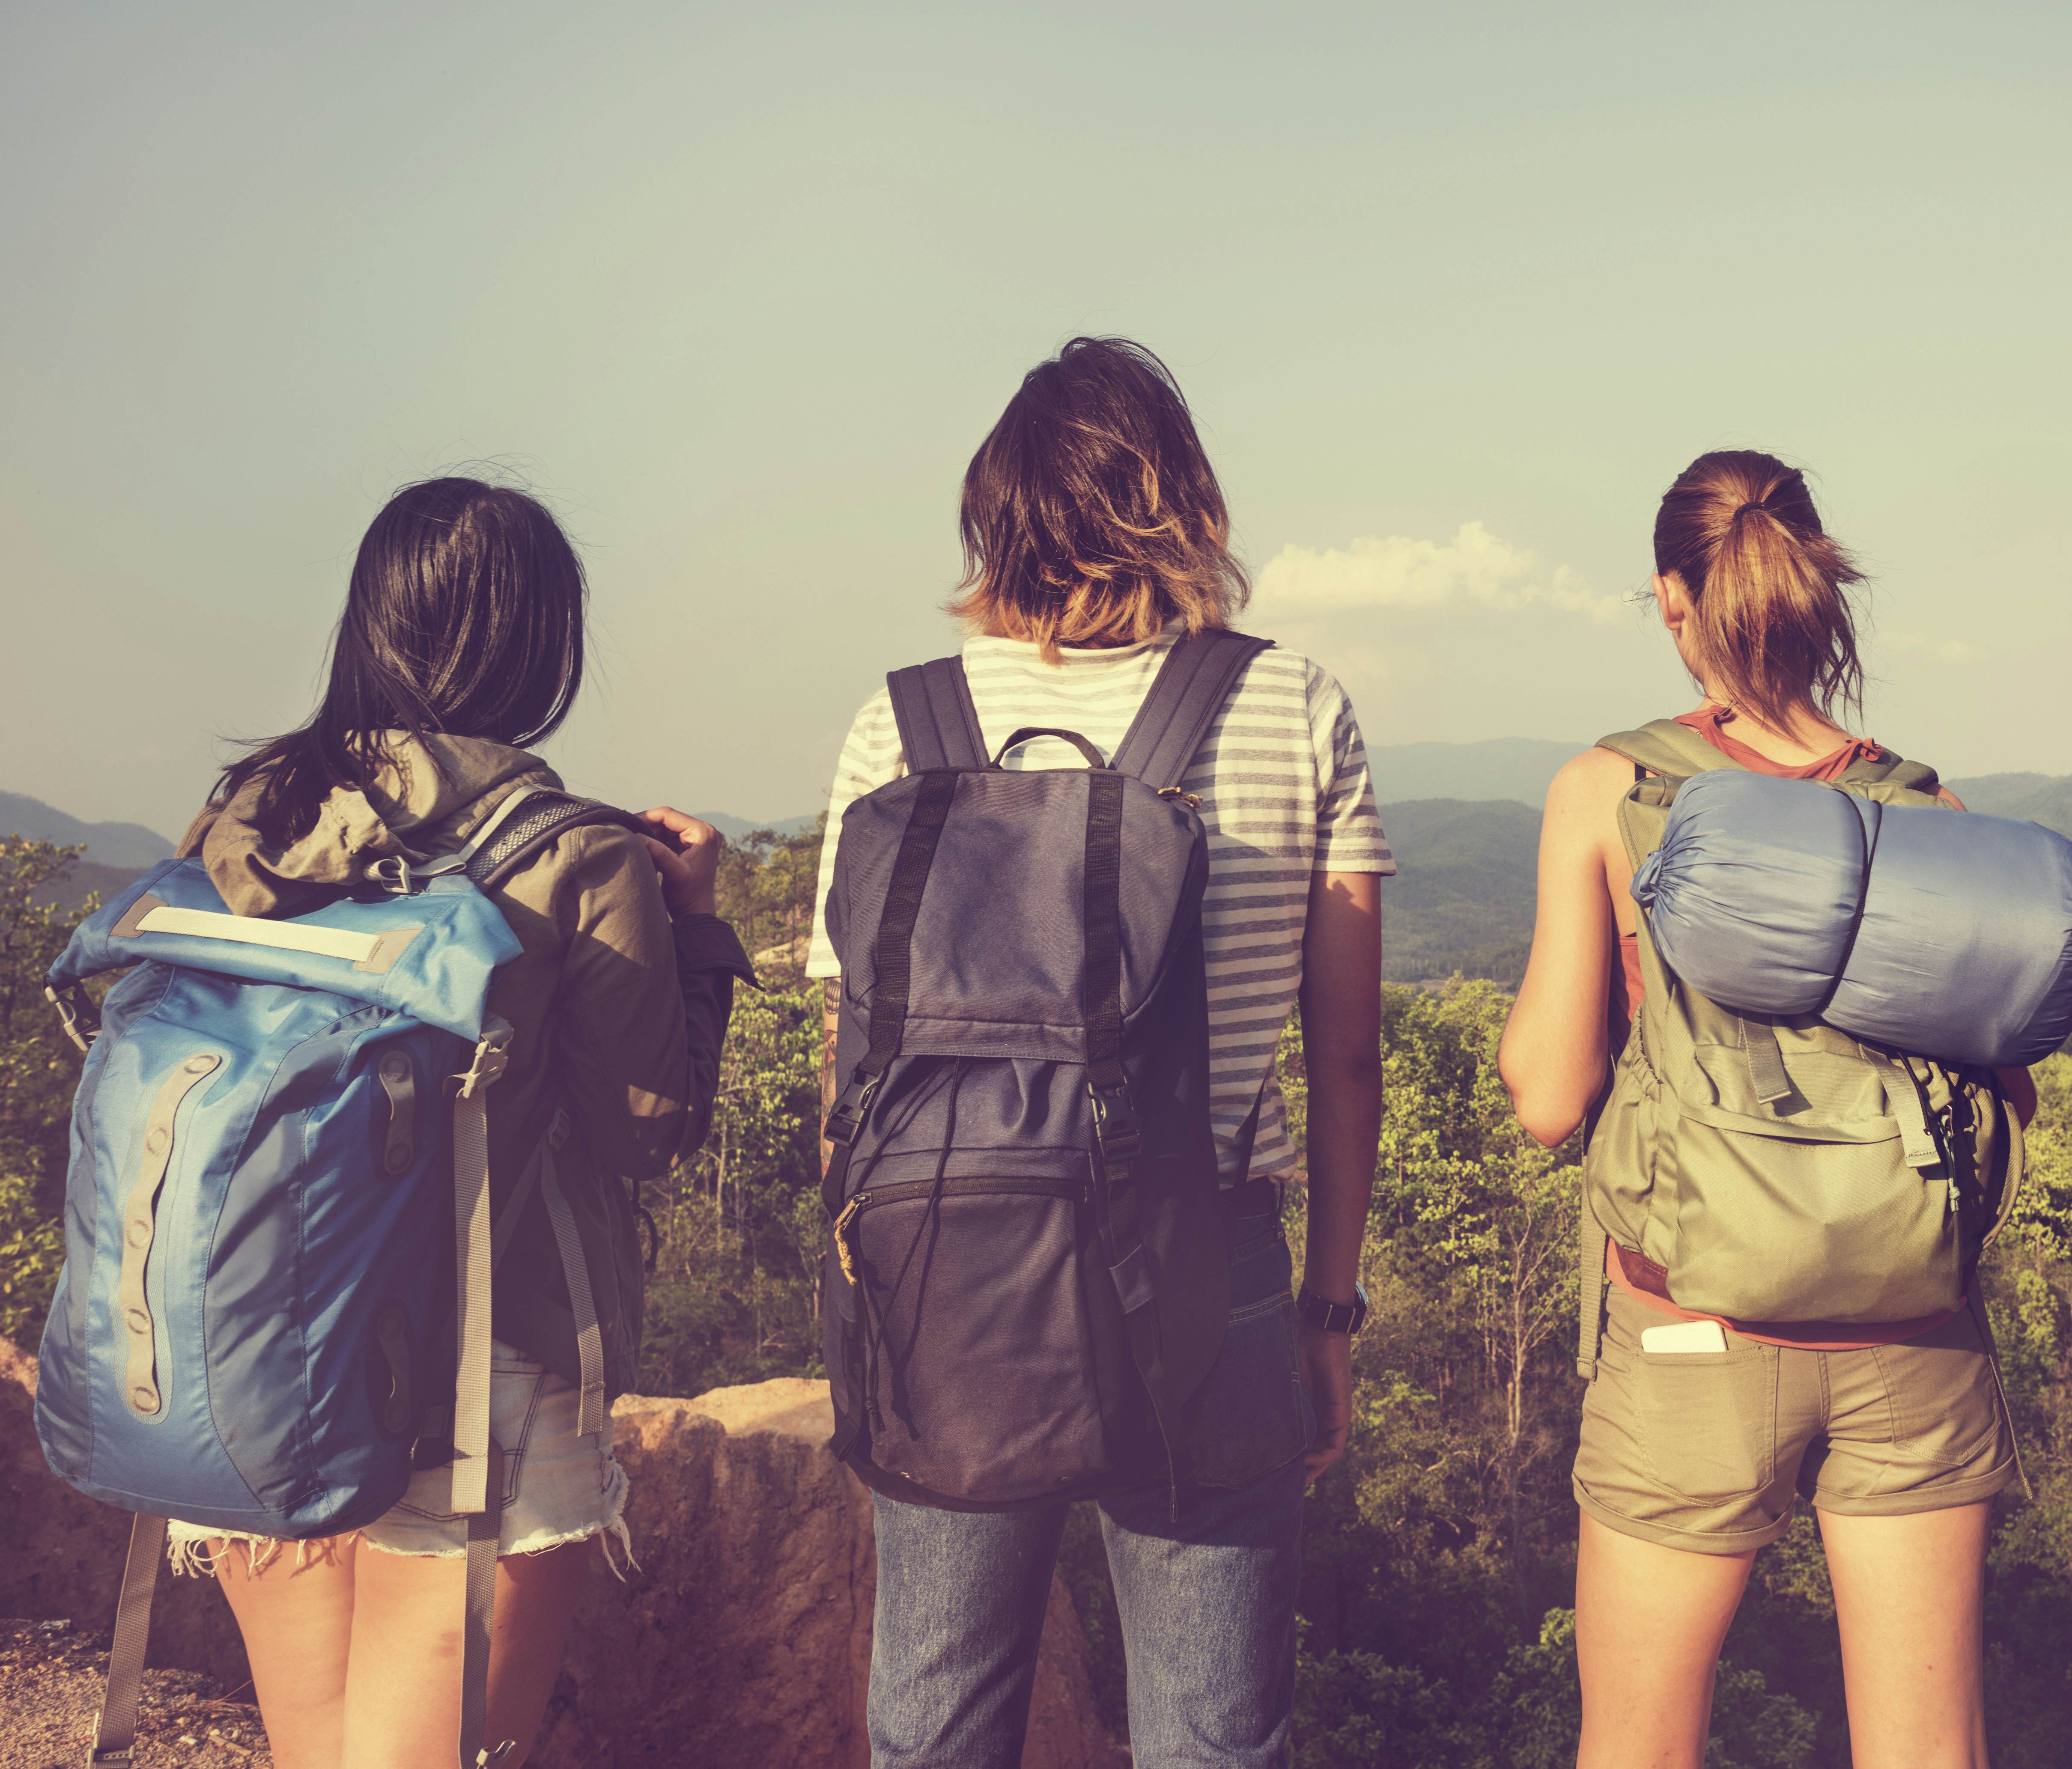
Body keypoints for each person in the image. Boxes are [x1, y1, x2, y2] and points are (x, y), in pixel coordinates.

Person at [806, 337, 1389, 1769]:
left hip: (948, 1271)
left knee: (934, 1720)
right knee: (1210, 1737)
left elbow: (853, 1070)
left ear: (993, 510)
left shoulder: (903, 721)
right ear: (1183, 502)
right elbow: (1350, 1062)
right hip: (1213, 1267)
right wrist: (1328, 1310)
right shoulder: (1293, 706)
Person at [164, 476, 751, 1766]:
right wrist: (697, 927)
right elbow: (648, 1124)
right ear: (541, 644)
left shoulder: (249, 816)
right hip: (485, 1363)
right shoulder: (576, 851)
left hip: (255, 1333)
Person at [1499, 450, 2022, 1769]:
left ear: (1676, 600)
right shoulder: (1924, 805)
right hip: (1913, 1334)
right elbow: (2003, 1087)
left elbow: (1550, 1098)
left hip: (1692, 1326)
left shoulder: (1607, 792)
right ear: (1815, 584)